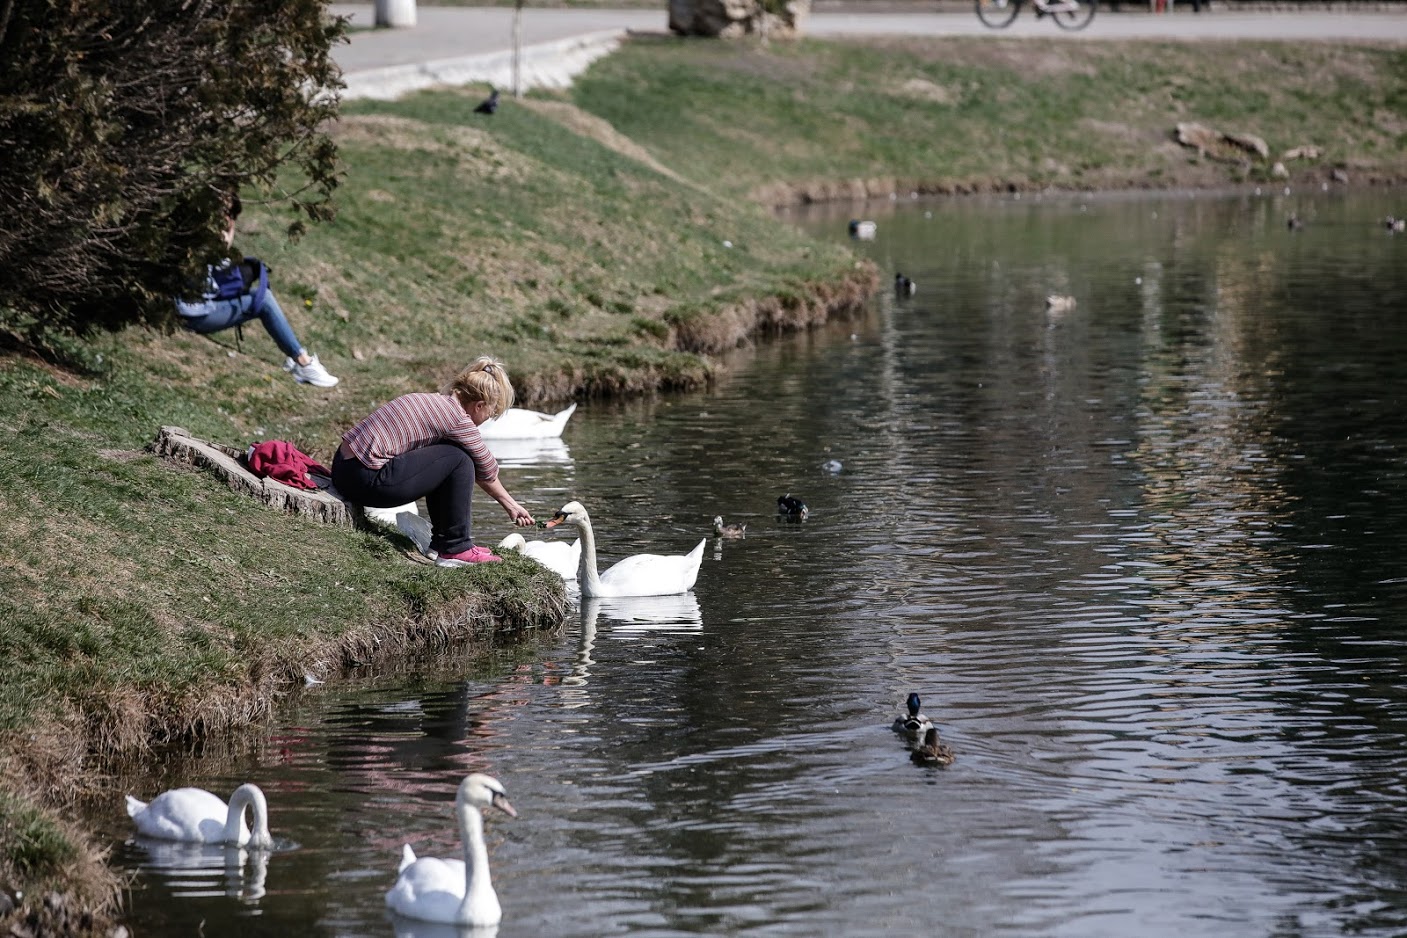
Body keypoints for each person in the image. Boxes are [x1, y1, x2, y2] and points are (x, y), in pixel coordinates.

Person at [331, 356, 535, 566]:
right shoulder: (457, 418)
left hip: (343, 469)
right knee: (460, 460)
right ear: (479, 405)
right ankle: (456, 548)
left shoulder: (434, 401)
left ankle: (443, 543)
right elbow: (486, 469)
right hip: (364, 479)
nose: (488, 419)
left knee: (449, 457)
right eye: (491, 412)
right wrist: (511, 505)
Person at [174, 195, 339, 388]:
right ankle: (303, 363)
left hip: (194, 309)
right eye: (223, 213)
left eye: (229, 213)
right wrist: (228, 234)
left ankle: (298, 357)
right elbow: (218, 260)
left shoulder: (194, 229)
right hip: (193, 314)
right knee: (264, 300)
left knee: (257, 295)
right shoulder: (204, 236)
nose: (226, 219)